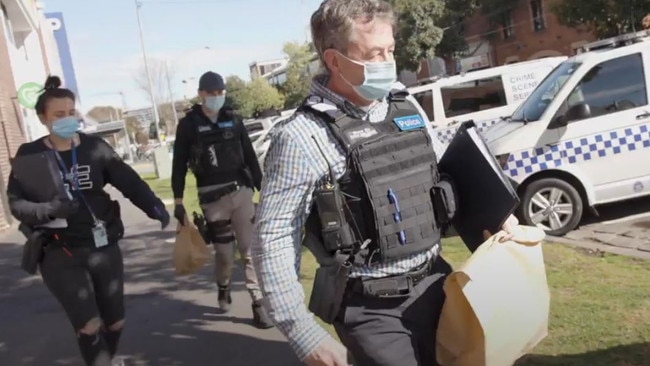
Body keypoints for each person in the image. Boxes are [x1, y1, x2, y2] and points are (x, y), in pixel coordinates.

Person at [251, 1, 519, 365]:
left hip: (439, 285)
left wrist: (495, 213)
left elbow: (443, 169)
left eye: (390, 50)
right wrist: (300, 330)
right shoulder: (301, 137)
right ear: (334, 60)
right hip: (372, 310)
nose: (387, 62)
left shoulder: (405, 104)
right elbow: (274, 238)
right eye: (374, 53)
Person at [6, 75, 170, 366]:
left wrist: (155, 207)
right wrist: (49, 209)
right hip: (58, 251)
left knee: (115, 322)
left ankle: (104, 358)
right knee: (89, 325)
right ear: (43, 118)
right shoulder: (30, 154)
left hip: (102, 245)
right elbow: (16, 204)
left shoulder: (95, 147)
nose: (67, 119)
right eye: (59, 115)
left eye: (71, 112)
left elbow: (129, 182)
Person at [171, 71, 273, 329]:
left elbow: (250, 157)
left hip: (241, 193)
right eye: (211, 94)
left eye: (220, 93)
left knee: (249, 251)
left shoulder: (234, 120)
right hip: (212, 200)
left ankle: (258, 304)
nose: (216, 98)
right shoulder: (188, 125)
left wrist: (264, 190)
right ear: (201, 94)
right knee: (225, 254)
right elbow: (178, 166)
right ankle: (223, 286)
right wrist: (178, 202)